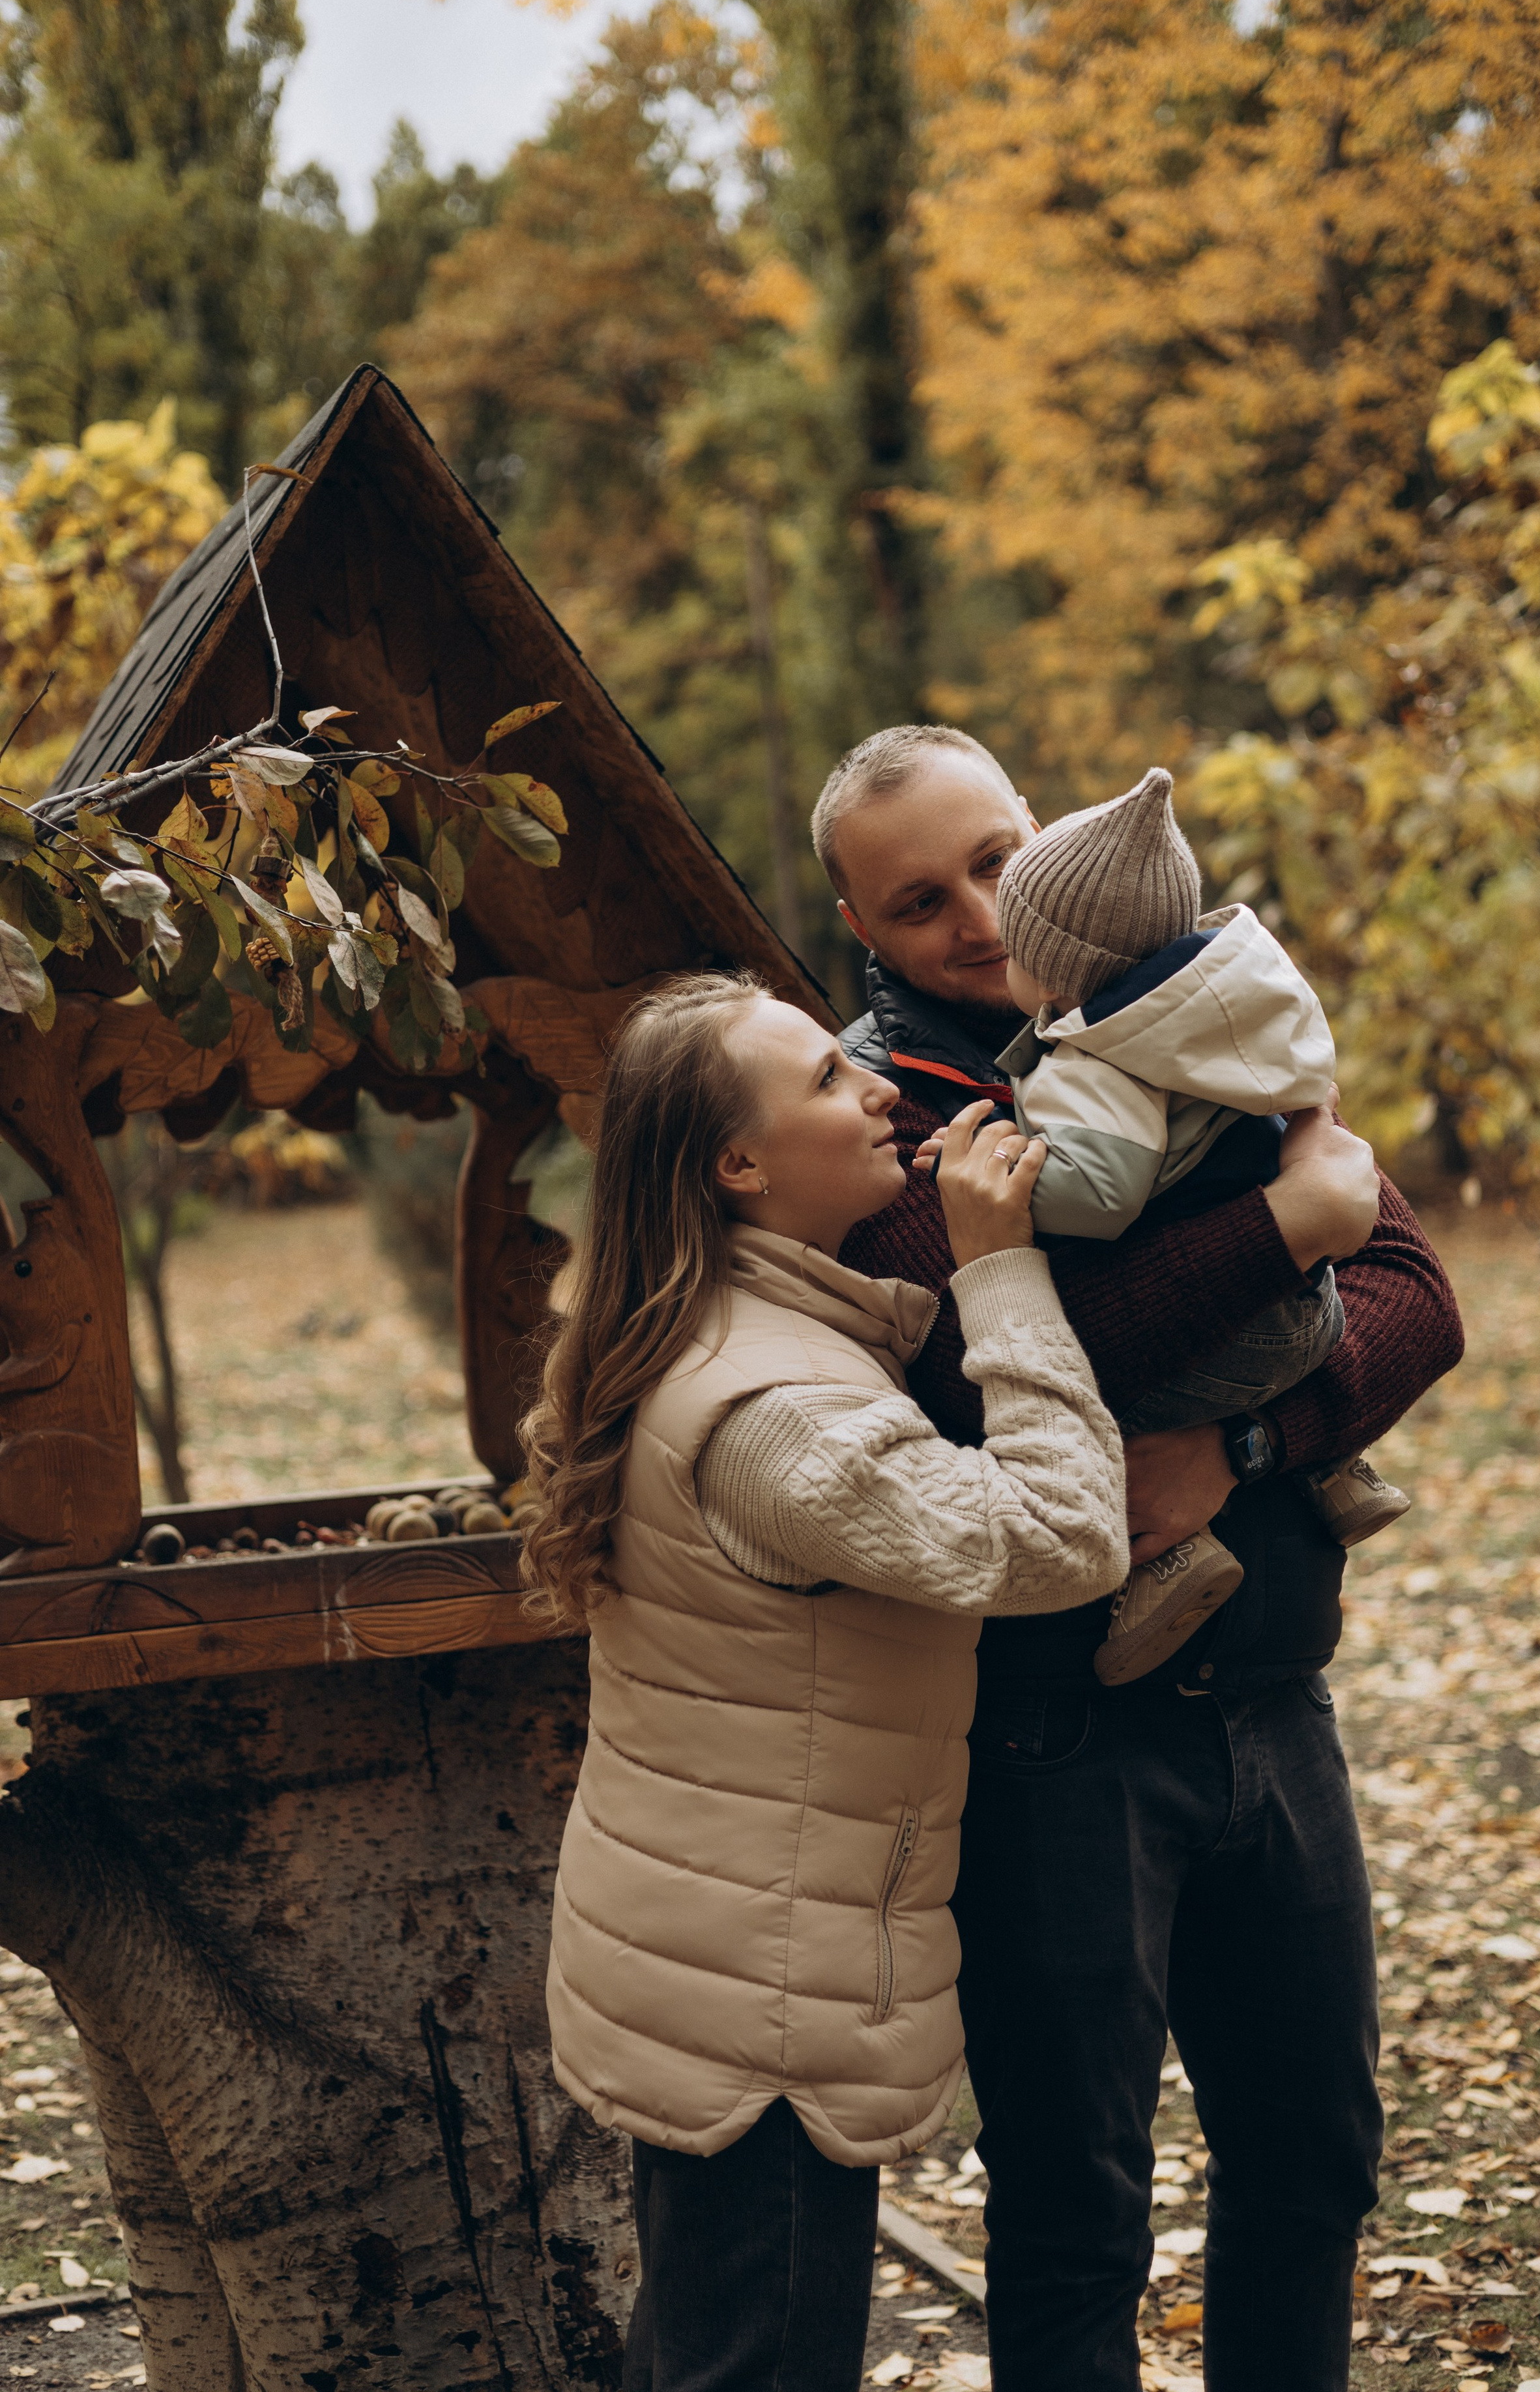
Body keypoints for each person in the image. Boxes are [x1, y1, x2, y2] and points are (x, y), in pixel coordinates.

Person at [814, 727, 1465, 2392]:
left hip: (1272, 1695)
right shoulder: (871, 1109)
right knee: (1073, 2215)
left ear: (1047, 833)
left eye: (994, 857)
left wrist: (1241, 1443)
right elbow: (994, 1351)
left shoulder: (1174, 997)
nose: (978, 916)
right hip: (1053, 1739)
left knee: (1312, 2166)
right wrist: (1282, 1228)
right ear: (860, 930)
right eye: (918, 901)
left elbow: (1409, 1291)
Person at [517, 970, 1130, 2392]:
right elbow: (1065, 1536)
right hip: (765, 2004)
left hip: (710, 1954)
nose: (880, 1086)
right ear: (738, 1166)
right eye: (823, 1078)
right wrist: (999, 1268)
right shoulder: (781, 1411)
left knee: (704, 2348)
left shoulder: (717, 1330)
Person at [953, 761, 1408, 1685]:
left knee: (1071, 1396)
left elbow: (1105, 1193)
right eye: (920, 902)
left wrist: (1008, 1186)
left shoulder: (1093, 1058)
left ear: (1056, 972)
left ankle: (1168, 1561)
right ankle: (1335, 1467)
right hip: (1313, 1307)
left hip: (1238, 1339)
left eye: (996, 880)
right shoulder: (1221, 1007)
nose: (981, 930)